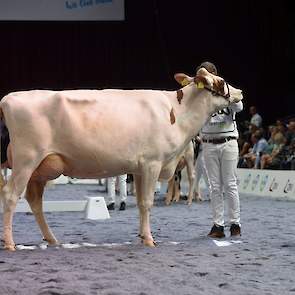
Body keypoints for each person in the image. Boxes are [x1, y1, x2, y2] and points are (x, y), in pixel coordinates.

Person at [197, 61, 243, 238]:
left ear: (215, 74)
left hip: (228, 140)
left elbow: (239, 106)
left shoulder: (226, 88)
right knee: (214, 186)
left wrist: (224, 92)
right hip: (208, 142)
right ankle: (218, 225)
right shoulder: (200, 94)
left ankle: (235, 224)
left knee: (230, 184)